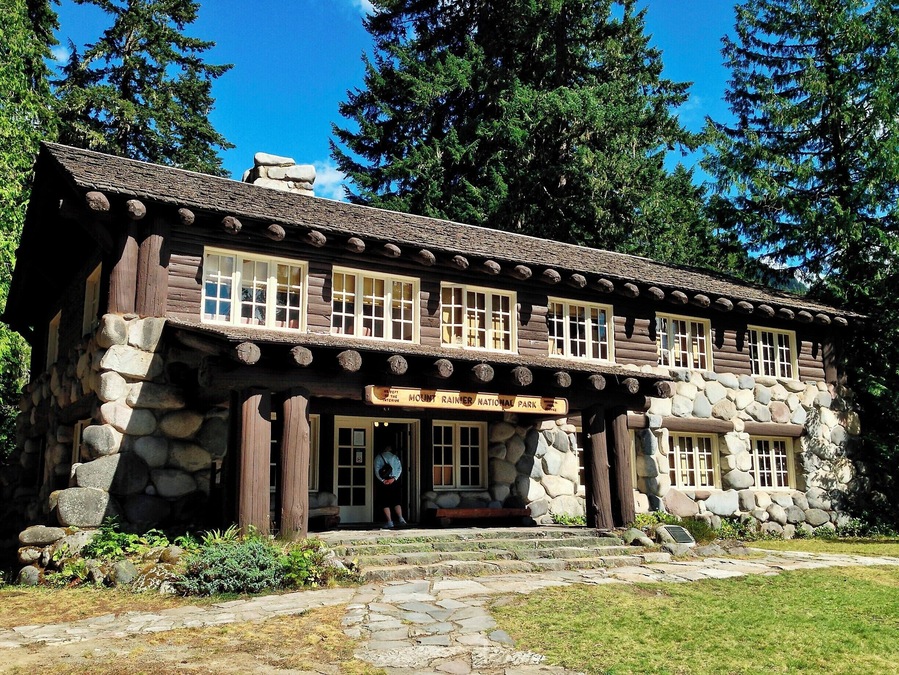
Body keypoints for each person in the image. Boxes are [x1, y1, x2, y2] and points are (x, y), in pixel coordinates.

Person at [374, 446, 406, 529]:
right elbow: (399, 469)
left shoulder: (378, 457)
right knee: (396, 501)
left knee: (385, 502)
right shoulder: (395, 457)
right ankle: (401, 518)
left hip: (384, 482)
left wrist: (383, 480)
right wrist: (394, 479)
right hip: (394, 481)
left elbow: (377, 470)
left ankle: (389, 522)